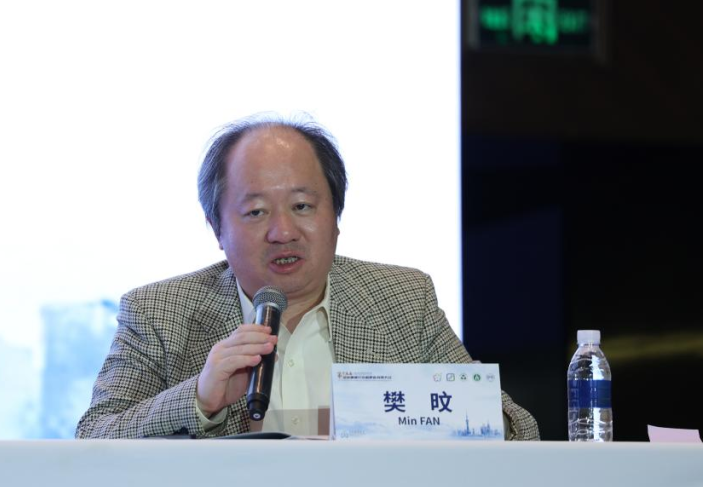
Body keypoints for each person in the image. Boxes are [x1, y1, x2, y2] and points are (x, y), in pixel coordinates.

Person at [76, 115, 540, 440]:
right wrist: (200, 398)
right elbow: (94, 437)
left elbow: (518, 429)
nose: (283, 232)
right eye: (256, 212)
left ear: (335, 216)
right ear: (217, 228)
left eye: (302, 206)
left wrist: (450, 416)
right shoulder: (158, 313)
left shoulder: (403, 300)